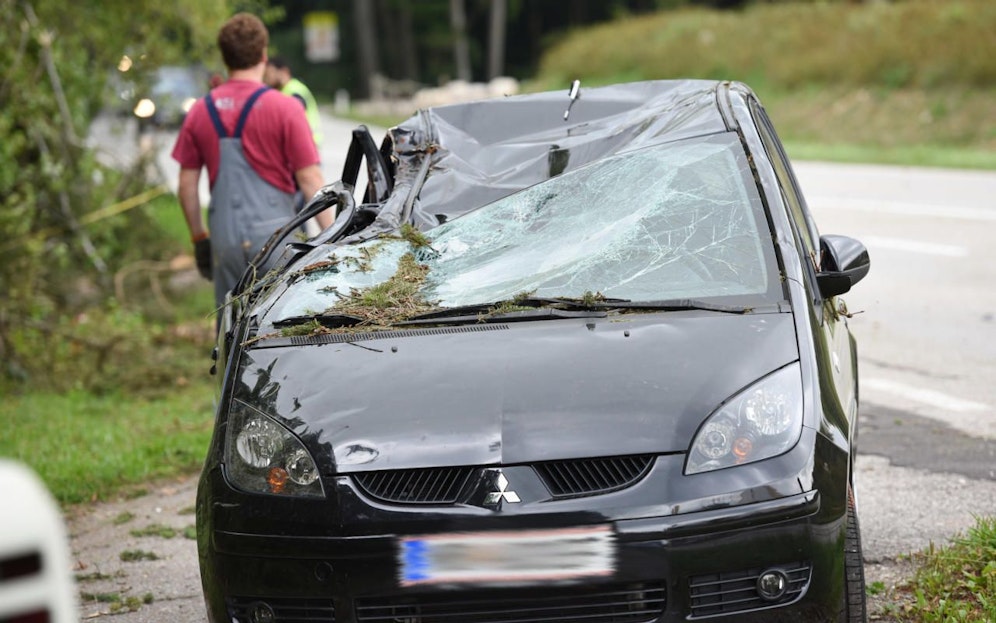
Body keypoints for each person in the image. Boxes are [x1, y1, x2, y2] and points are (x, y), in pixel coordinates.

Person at [171, 13, 332, 312]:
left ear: (225, 57)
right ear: (263, 54)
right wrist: (335, 240)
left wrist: (199, 239)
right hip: (277, 237)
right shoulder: (284, 107)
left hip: (225, 236)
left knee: (232, 325)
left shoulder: (200, 111)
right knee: (282, 322)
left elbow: (186, 186)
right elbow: (310, 180)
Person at [264, 56, 323, 147]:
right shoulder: (285, 90)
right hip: (305, 143)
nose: (267, 78)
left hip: (306, 144)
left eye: (271, 73)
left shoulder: (294, 91)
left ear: (284, 72)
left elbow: (295, 122)